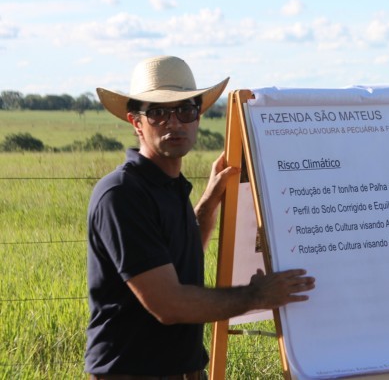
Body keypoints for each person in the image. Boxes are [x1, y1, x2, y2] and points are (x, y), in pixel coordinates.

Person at [85, 56, 315, 379]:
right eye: (157, 113)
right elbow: (169, 303)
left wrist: (210, 200)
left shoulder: (169, 186)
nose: (174, 123)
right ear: (136, 122)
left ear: (198, 118)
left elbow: (184, 251)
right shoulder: (122, 195)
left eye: (185, 110)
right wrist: (257, 295)